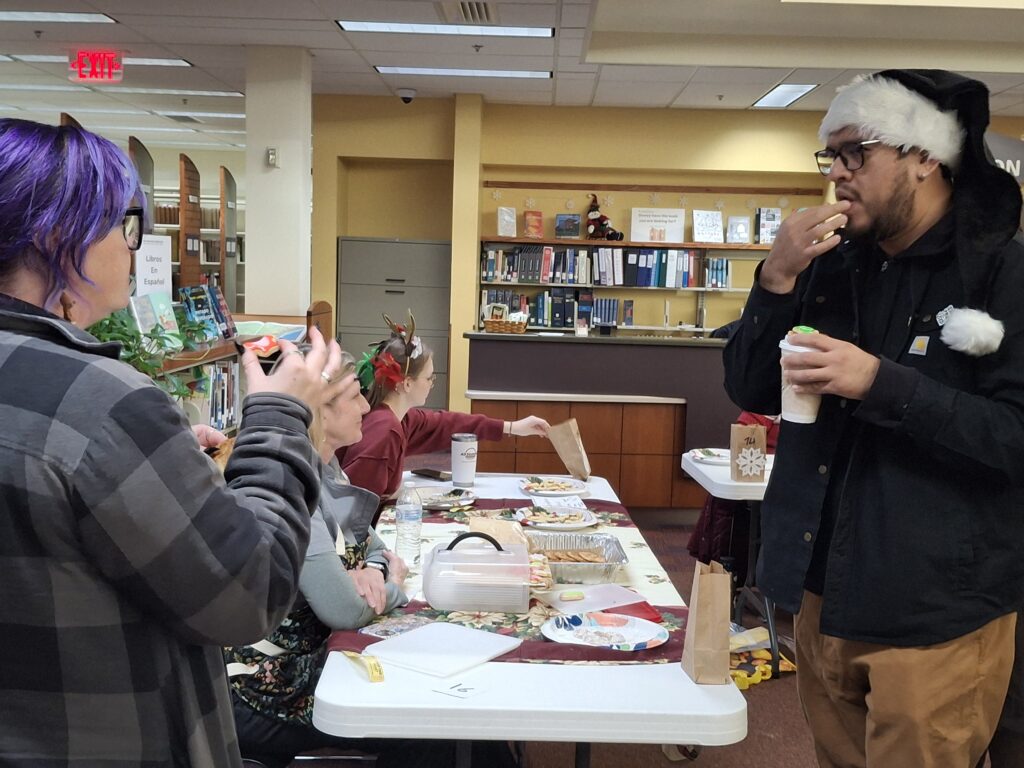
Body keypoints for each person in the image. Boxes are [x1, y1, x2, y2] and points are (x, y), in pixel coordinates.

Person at [0, 118, 351, 766]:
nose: (135, 249)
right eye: (125, 226)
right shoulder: (100, 403)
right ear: (54, 235)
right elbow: (249, 592)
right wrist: (278, 417)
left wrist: (156, 458)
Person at [723, 70, 1024, 767]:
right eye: (829, 156)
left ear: (925, 157)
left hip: (933, 611)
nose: (837, 174)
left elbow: (1013, 436)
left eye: (856, 152)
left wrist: (882, 384)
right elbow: (750, 387)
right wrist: (774, 281)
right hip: (823, 591)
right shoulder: (834, 267)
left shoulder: (1002, 274)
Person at [338, 313, 550, 499]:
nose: (432, 384)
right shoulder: (385, 429)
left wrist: (511, 427)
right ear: (408, 383)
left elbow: (446, 423)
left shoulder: (400, 419)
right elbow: (354, 504)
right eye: (429, 378)